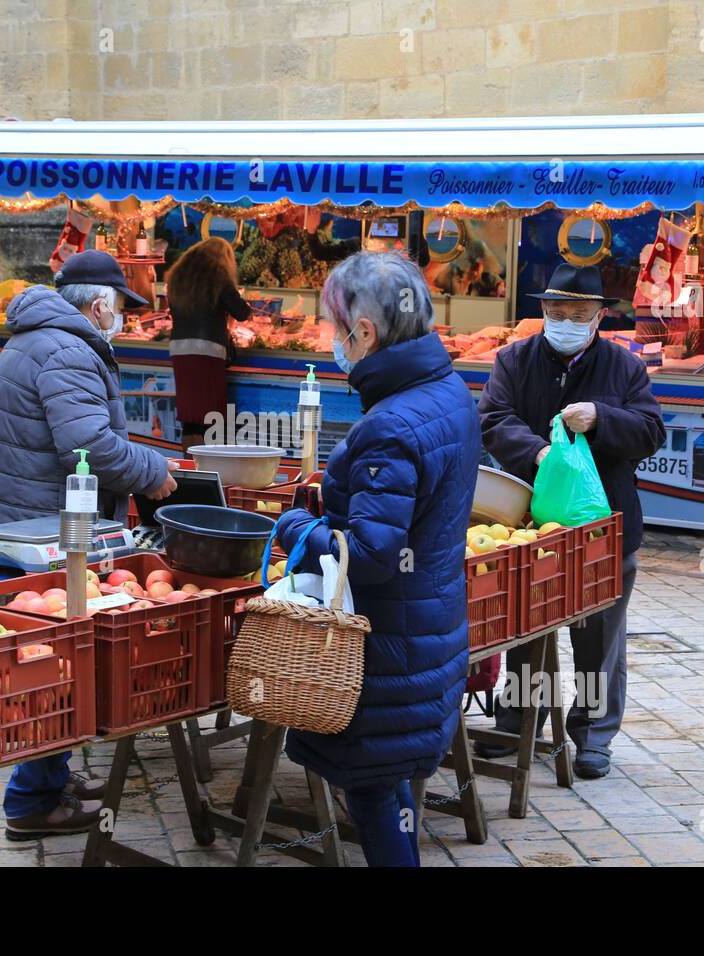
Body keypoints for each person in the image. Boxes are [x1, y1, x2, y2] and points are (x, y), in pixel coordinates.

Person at [272, 251, 481, 867]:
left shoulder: (391, 425)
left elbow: (367, 555)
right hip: (428, 637)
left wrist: (298, 529)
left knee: (373, 797)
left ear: (364, 332)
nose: (332, 342)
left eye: (337, 328)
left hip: (387, 650)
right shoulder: (449, 391)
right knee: (386, 796)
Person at [0, 250, 178, 838]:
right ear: (98, 306)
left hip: (31, 519)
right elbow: (86, 445)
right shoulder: (67, 349)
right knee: (53, 661)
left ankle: (51, 776)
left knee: (53, 655)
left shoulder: (38, 338)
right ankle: (30, 801)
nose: (123, 319)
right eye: (120, 308)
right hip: (47, 527)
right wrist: (153, 469)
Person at [477, 262, 665, 780]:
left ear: (599, 316)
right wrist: (539, 454)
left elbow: (651, 432)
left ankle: (592, 734)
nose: (564, 321)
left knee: (598, 634)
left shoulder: (623, 367)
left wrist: (602, 419)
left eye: (577, 314)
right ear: (543, 311)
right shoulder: (514, 359)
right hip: (527, 520)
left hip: (606, 524)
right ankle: (517, 721)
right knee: (520, 625)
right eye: (556, 312)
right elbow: (493, 419)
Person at [164, 237, 251, 452]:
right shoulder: (218, 275)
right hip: (208, 350)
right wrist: (248, 306)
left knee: (190, 413)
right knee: (209, 413)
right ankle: (206, 469)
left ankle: (189, 466)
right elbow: (241, 312)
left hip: (180, 350)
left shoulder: (178, 274)